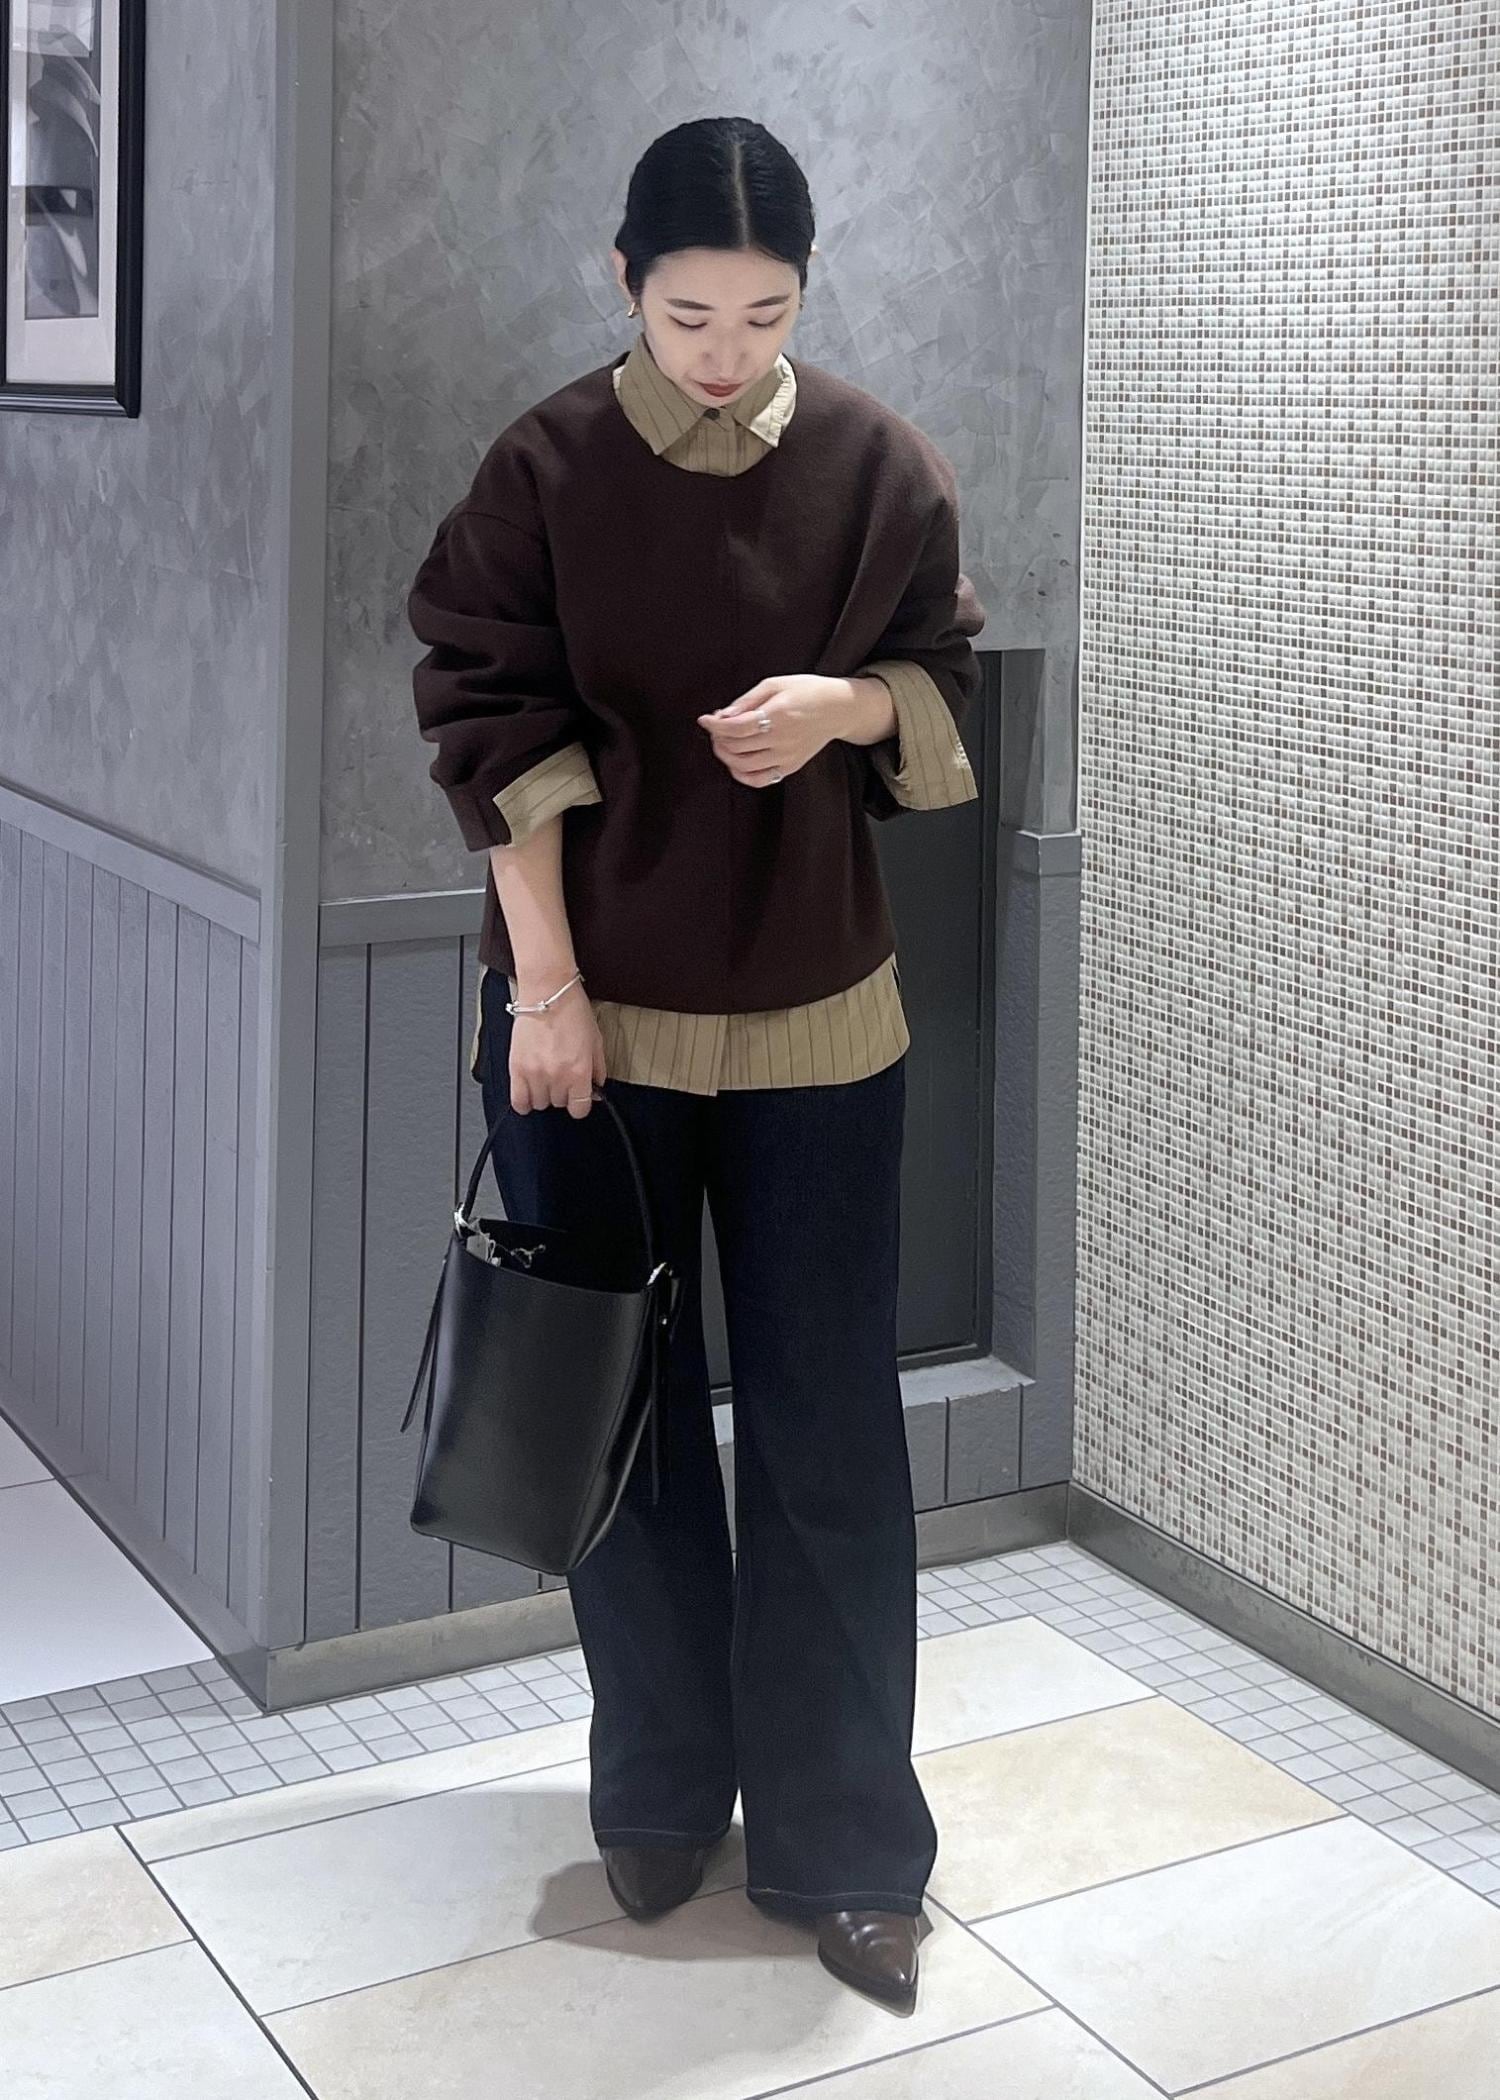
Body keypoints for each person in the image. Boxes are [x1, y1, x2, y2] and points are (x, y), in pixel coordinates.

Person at [407, 114, 986, 2016]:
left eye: (765, 315)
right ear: (623, 282)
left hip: (823, 1015)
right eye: (688, 316)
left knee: (831, 1424)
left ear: (804, 295)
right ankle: (659, 1793)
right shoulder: (547, 469)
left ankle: (850, 1848)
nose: (727, 353)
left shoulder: (880, 465)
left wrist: (848, 704)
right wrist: (547, 991)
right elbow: (484, 718)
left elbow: (940, 674)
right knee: (625, 1416)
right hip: (595, 1019)